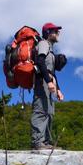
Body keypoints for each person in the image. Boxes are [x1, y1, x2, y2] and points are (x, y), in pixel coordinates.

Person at [31, 22, 65, 150]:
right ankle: (37, 141)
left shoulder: (50, 49)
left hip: (48, 82)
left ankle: (45, 141)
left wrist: (58, 90)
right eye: (55, 31)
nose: (58, 33)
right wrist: (49, 82)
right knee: (40, 110)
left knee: (49, 112)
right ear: (48, 33)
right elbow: (40, 61)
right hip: (42, 81)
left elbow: (52, 72)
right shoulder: (44, 43)